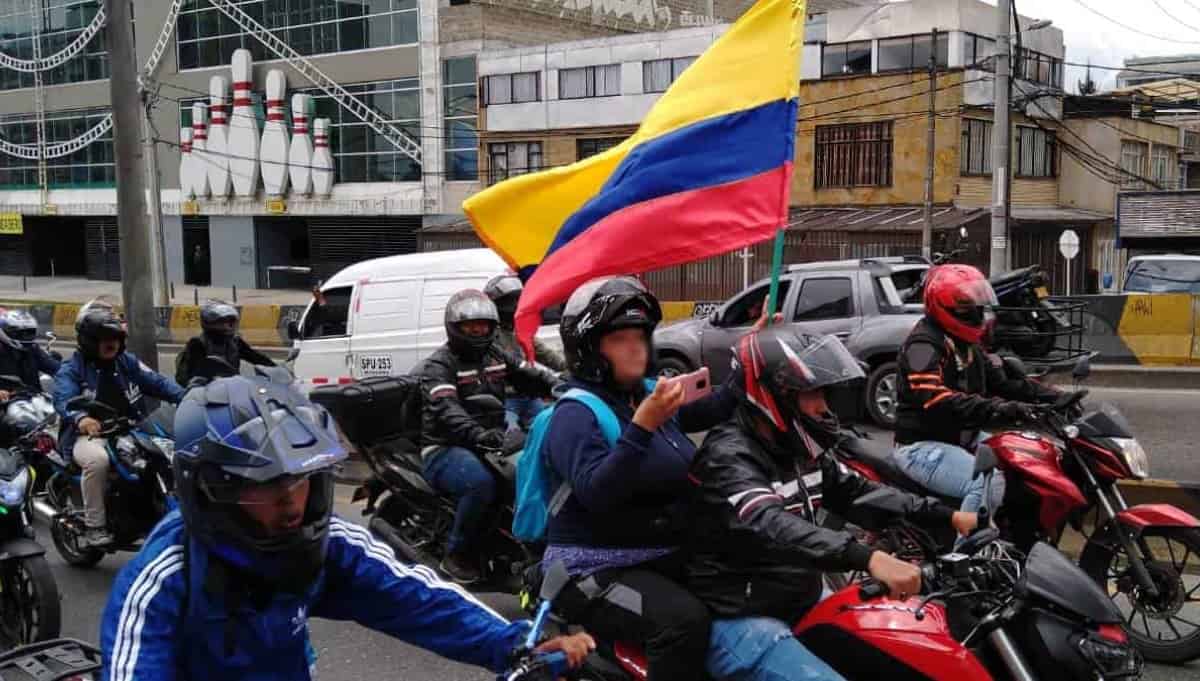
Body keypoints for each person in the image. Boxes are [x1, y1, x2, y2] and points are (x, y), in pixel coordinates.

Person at [99, 374, 593, 680]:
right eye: (267, 489)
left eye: (299, 484)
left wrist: (516, 645)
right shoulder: (164, 578)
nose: (292, 506)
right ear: (210, 492)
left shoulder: (326, 544)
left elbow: (419, 598)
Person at [686, 328, 979, 681]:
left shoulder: (797, 448)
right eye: (811, 394)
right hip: (743, 617)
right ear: (772, 396)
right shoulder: (729, 456)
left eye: (823, 392)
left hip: (798, 596)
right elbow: (770, 523)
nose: (822, 406)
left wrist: (949, 516)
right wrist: (868, 556)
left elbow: (857, 492)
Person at [541, 276, 746, 681]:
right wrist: (642, 428)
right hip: (591, 565)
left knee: (756, 578)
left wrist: (752, 356)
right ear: (589, 350)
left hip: (659, 547)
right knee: (683, 622)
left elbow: (712, 409)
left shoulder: (646, 393)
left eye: (640, 335)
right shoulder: (575, 414)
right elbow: (598, 491)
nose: (636, 346)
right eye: (619, 338)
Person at [890, 264, 1064, 517]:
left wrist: (1055, 397)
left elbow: (1003, 384)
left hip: (964, 437)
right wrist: (1000, 409)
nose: (977, 314)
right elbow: (936, 400)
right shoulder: (924, 345)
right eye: (968, 307)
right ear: (947, 308)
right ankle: (967, 553)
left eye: (978, 306)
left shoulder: (966, 343)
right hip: (922, 446)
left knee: (1032, 461)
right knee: (986, 483)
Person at [420, 289, 559, 583]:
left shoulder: (495, 354)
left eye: (484, 324)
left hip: (489, 441)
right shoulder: (439, 365)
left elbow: (528, 375)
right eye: (471, 325)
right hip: (445, 447)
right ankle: (456, 554)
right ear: (455, 328)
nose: (479, 330)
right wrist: (479, 433)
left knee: (532, 473)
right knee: (479, 484)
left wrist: (562, 386)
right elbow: (447, 409)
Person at [53, 305, 186, 548]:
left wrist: (189, 397)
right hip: (91, 436)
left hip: (133, 429)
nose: (112, 343)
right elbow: (62, 399)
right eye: (105, 339)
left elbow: (158, 383)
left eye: (116, 338)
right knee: (97, 462)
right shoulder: (72, 370)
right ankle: (95, 526)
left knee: (168, 455)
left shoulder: (126, 362)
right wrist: (82, 418)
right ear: (89, 341)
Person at [483, 274, 565, 429]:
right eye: (509, 302)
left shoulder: (519, 331)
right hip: (504, 399)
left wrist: (570, 368)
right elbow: (512, 365)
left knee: (550, 427)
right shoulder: (489, 336)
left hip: (529, 396)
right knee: (507, 438)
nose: (514, 306)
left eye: (517, 300)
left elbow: (545, 353)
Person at [177, 300, 276, 384]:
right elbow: (190, 376)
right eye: (224, 322)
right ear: (210, 322)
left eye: (231, 321)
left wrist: (278, 370)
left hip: (232, 391)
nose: (229, 326)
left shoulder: (235, 342)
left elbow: (257, 358)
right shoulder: (198, 344)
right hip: (206, 394)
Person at [0, 308, 59, 393]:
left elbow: (54, 367)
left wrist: (73, 376)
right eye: (21, 333)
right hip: (5, 402)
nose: (26, 337)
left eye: (30, 332)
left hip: (34, 400)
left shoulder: (33, 349)